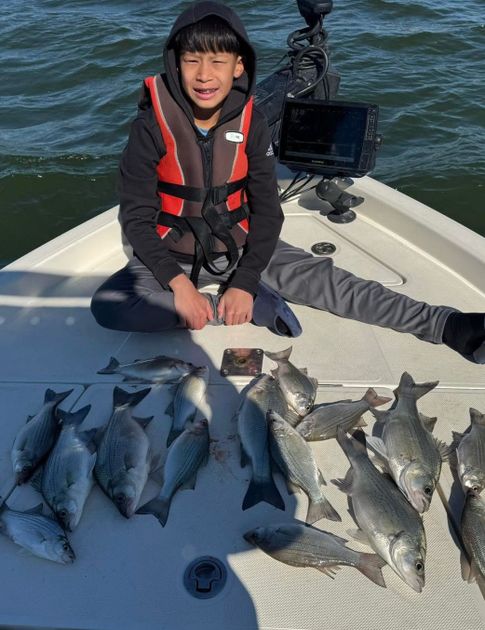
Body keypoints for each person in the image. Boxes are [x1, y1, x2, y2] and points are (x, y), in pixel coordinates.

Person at [90, 0, 485, 365]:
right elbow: (137, 218)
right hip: (170, 256)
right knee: (108, 306)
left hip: (243, 249)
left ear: (238, 66)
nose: (204, 75)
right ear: (175, 64)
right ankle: (234, 308)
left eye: (218, 61)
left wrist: (246, 280)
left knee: (330, 282)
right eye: (192, 61)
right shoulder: (149, 127)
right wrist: (179, 286)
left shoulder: (252, 123)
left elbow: (267, 210)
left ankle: (447, 325)